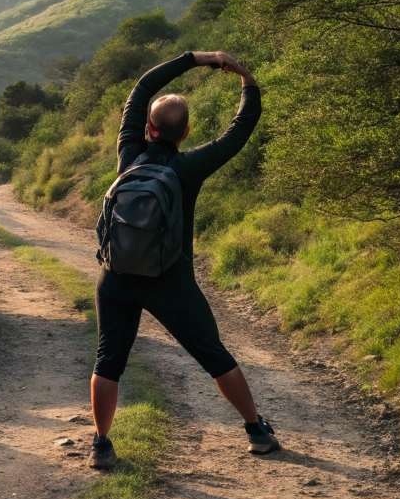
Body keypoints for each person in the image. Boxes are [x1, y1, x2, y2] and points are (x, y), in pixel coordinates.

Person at [89, 50, 278, 469]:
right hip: (169, 280)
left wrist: (196, 58)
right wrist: (245, 77)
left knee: (108, 360)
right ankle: (256, 432)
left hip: (116, 275)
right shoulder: (189, 168)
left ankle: (101, 445)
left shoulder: (127, 154)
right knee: (213, 354)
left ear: (148, 128)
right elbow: (242, 127)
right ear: (186, 132)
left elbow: (141, 88)